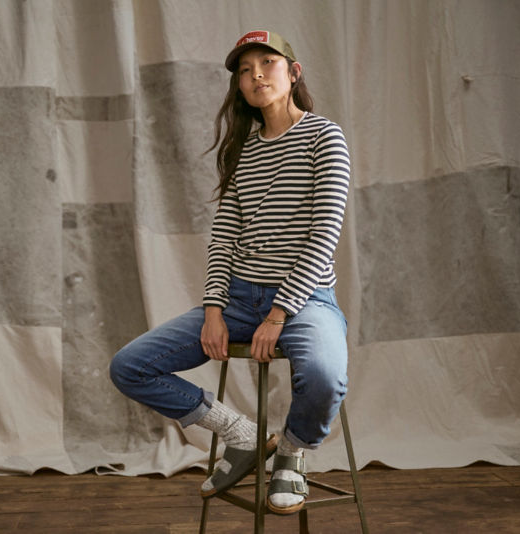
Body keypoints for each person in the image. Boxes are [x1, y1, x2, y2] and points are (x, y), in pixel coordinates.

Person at [110, 30, 350, 515]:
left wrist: (279, 314)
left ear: (293, 71)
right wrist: (215, 310)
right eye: (245, 69)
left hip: (304, 301)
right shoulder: (242, 151)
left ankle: (290, 453)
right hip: (239, 299)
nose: (256, 73)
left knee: (325, 377)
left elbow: (324, 235)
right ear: (239, 86)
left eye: (267, 62)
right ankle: (242, 435)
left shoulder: (325, 137)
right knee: (129, 366)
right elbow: (223, 239)